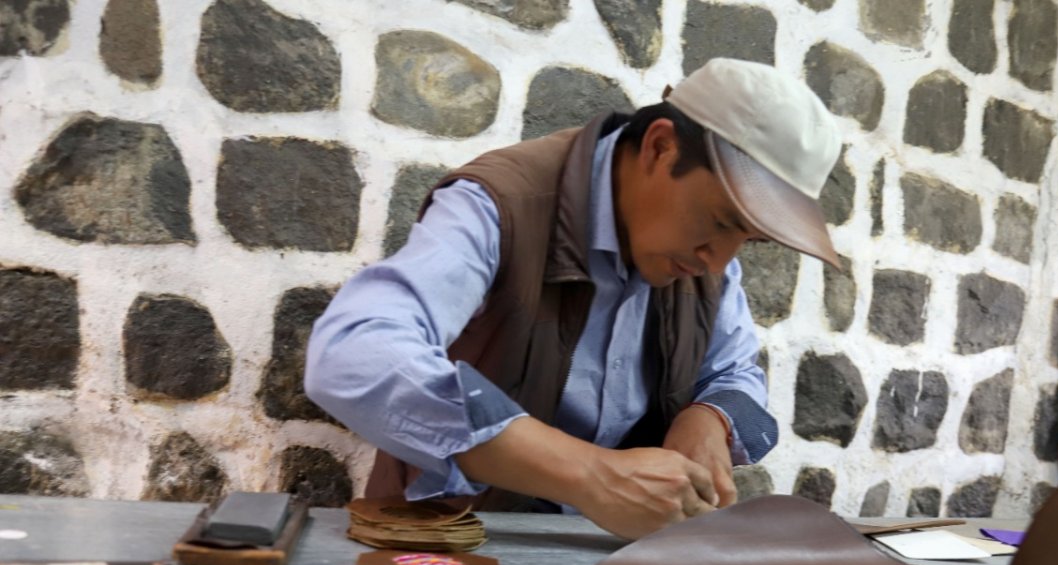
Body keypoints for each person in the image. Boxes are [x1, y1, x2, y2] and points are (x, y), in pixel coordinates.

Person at [305, 58, 844, 540]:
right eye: (722, 222)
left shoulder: (701, 257)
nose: (718, 261)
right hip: (445, 545)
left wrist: (708, 419)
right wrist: (590, 474)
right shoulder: (500, 204)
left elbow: (736, 373)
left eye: (746, 239)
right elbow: (353, 352)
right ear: (661, 146)